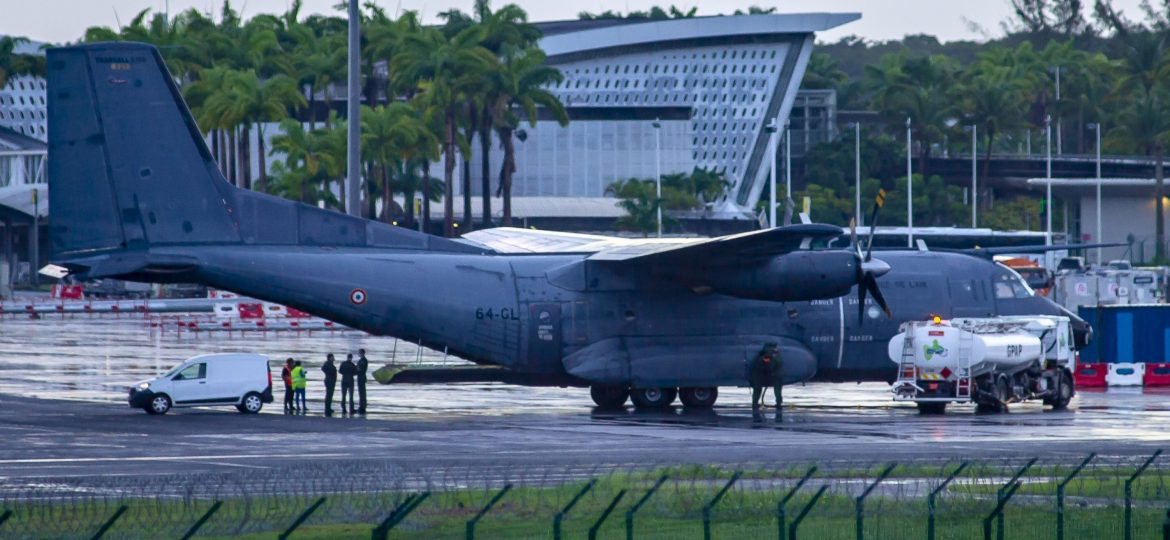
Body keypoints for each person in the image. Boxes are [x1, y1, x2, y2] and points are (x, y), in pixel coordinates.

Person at [749, 343, 780, 410]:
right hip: (758, 376)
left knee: (757, 391)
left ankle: (755, 403)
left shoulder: (762, 356)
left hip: (758, 376)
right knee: (757, 390)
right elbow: (767, 365)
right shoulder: (765, 357)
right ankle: (755, 404)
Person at [357, 349, 369, 414]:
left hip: (362, 377)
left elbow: (360, 369)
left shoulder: (363, 360)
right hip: (360, 377)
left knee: (362, 393)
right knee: (361, 392)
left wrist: (356, 369)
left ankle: (362, 406)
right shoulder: (361, 360)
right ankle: (361, 405)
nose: (358, 354)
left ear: (362, 353)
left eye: (359, 353)